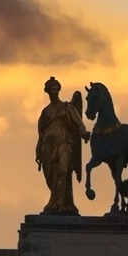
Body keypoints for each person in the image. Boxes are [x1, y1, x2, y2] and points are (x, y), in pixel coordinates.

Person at [36, 77, 89, 214]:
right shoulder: (45, 112)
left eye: (57, 89)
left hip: (65, 142)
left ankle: (61, 203)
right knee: (50, 176)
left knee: (64, 170)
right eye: (52, 90)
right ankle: (54, 201)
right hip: (48, 146)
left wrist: (84, 133)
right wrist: (38, 149)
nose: (55, 92)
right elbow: (41, 133)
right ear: (47, 91)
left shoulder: (68, 107)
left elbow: (79, 124)